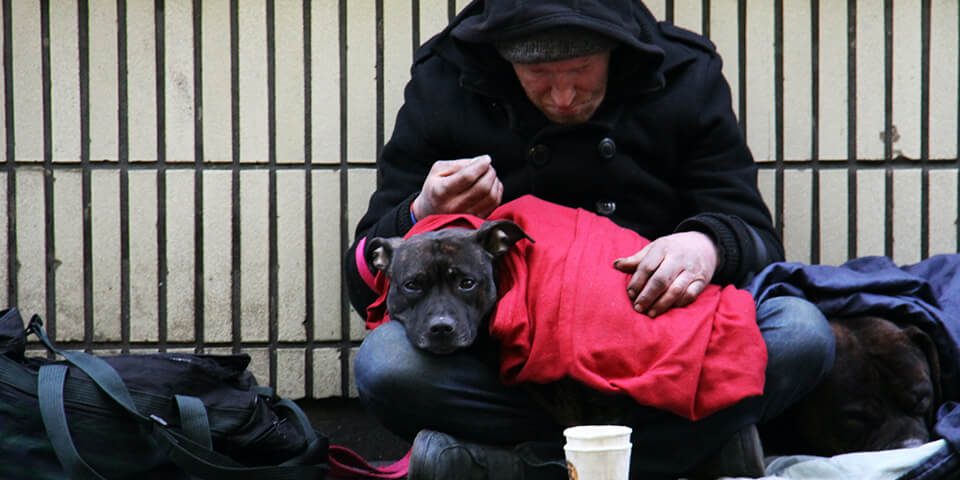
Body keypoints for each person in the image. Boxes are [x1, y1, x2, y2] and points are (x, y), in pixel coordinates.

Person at [344, 1, 836, 478]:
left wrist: (704, 245)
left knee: (801, 332)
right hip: (508, 363)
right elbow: (366, 277)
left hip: (656, 341)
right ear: (501, 58)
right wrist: (423, 210)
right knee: (387, 365)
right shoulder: (447, 78)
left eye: (580, 69)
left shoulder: (685, 72)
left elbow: (755, 236)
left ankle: (511, 467)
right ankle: (685, 453)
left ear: (616, 52)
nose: (562, 96)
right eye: (538, 75)